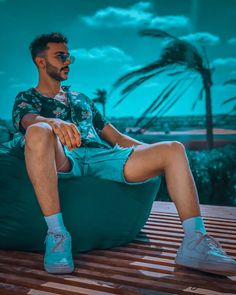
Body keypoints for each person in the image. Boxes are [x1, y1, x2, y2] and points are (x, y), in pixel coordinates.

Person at [12, 32, 236, 276]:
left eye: (69, 56)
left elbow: (117, 138)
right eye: (61, 56)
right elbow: (28, 120)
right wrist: (52, 122)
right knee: (38, 130)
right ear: (41, 61)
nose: (68, 61)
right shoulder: (27, 97)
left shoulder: (81, 99)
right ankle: (56, 235)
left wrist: (158, 156)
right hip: (65, 158)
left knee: (173, 149)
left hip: (103, 158)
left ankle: (195, 242)